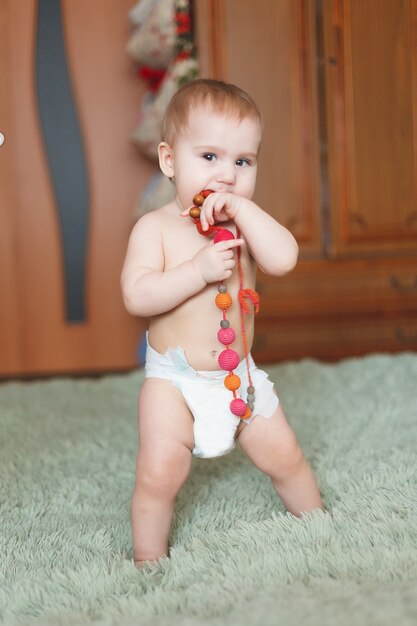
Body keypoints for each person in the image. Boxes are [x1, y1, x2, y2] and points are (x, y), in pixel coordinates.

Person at [121, 79, 323, 566]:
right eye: (209, 157)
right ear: (170, 161)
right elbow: (136, 294)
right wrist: (196, 272)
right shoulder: (156, 228)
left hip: (240, 377)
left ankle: (319, 526)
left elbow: (284, 259)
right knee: (159, 472)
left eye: (242, 162)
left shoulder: (244, 224)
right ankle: (149, 560)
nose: (227, 175)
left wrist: (247, 213)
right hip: (175, 380)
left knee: (286, 457)